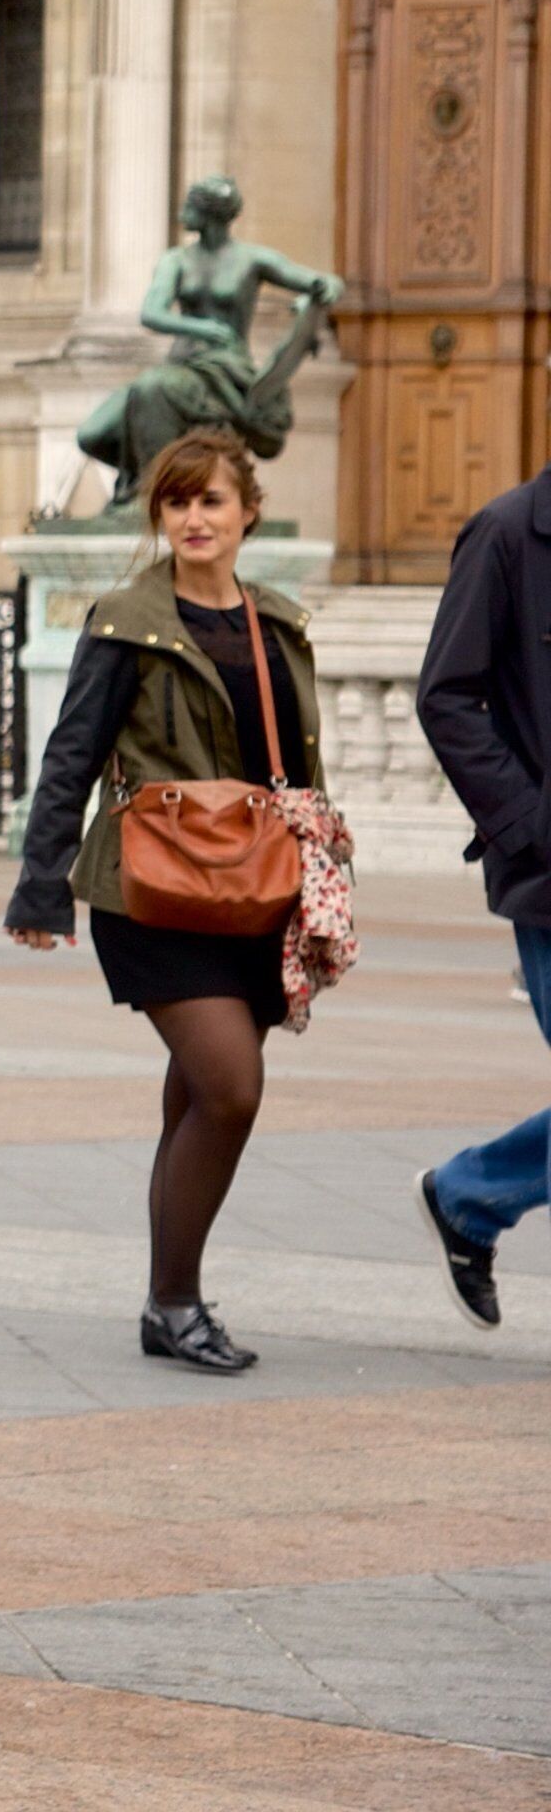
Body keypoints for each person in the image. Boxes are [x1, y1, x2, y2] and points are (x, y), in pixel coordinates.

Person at [8, 427, 330, 1374]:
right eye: (177, 502)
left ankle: (167, 1305)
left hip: (254, 890)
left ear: (246, 515)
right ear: (160, 515)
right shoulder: (124, 620)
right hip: (153, 889)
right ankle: (177, 1299)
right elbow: (69, 755)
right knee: (231, 1088)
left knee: (195, 1097)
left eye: (211, 502)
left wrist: (317, 882)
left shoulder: (276, 622)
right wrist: (42, 888)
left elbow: (298, 769)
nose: (194, 518)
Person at [407, 452, 551, 1329]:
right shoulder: (505, 536)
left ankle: (470, 1195)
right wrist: (531, 825)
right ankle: (472, 1195)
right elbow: (447, 696)